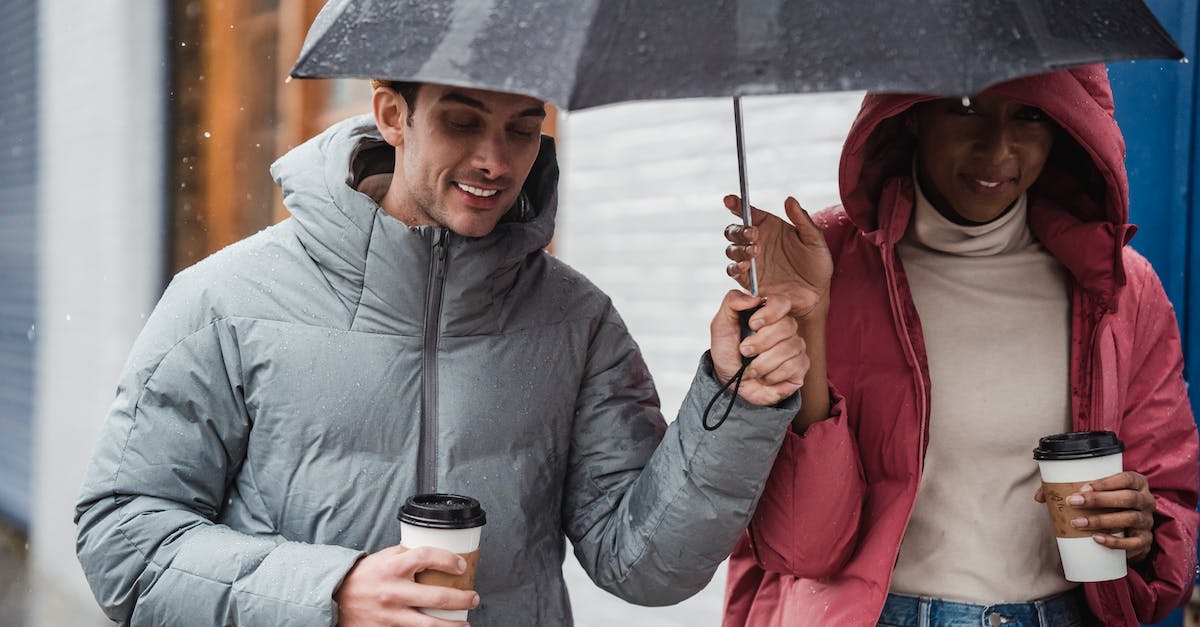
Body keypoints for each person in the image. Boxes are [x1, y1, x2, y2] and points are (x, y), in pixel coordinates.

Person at [73, 78, 811, 626]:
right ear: (392, 114)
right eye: (462, 122)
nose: (495, 160)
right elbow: (122, 540)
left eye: (523, 129)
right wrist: (330, 593)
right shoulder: (226, 300)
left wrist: (736, 401)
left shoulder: (576, 320)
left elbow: (642, 565)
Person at [720, 65, 1199, 626]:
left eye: (1030, 115)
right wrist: (808, 320)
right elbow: (802, 546)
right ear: (912, 113)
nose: (997, 150)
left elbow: (1170, 497)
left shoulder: (1118, 289)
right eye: (966, 106)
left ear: (1065, 127)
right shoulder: (820, 264)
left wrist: (1142, 529)